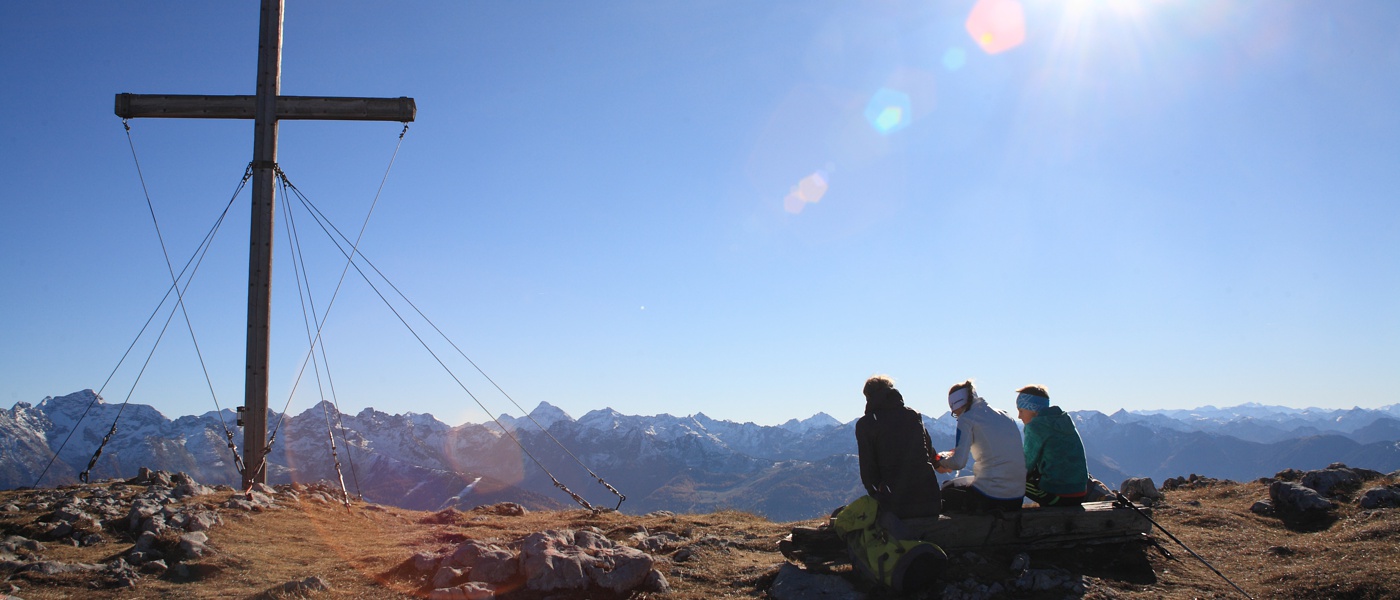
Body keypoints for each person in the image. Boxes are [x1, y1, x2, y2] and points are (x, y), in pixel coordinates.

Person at [855, 375, 941, 519]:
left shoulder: (866, 424)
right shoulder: (913, 415)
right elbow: (928, 450)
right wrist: (938, 461)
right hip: (930, 500)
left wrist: (877, 493)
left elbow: (868, 469)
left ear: (868, 396)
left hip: (895, 506)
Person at [935, 380, 1026, 513]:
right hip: (1017, 497)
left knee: (946, 491)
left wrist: (941, 461)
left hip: (992, 496)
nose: (957, 416)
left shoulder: (966, 418)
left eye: (954, 413)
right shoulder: (1005, 415)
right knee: (961, 483)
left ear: (956, 406)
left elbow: (959, 463)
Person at [1017, 385, 1090, 507]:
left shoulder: (1035, 426)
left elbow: (1026, 464)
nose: (1019, 416)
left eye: (1021, 411)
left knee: (1010, 479)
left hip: (1058, 494)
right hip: (1080, 491)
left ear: (1032, 409)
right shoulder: (1064, 420)